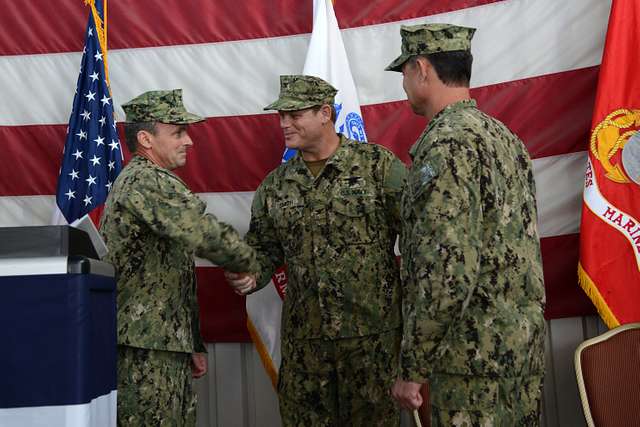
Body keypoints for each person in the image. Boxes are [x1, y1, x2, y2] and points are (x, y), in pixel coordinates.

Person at [386, 24, 546, 425]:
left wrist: (413, 367)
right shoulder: (504, 136)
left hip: (470, 360)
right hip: (518, 351)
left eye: (404, 72)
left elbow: (447, 270)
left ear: (422, 69)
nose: (403, 84)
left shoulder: (446, 144)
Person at [226, 75, 406, 426]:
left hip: (371, 340)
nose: (284, 124)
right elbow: (264, 249)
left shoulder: (377, 167)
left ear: (325, 113)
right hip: (306, 343)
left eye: (295, 115)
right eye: (281, 116)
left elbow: (417, 238)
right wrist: (249, 275)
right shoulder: (276, 186)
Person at [100, 89, 257, 426]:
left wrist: (193, 342)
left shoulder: (145, 180)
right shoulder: (147, 181)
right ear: (145, 138)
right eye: (178, 132)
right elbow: (202, 232)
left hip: (160, 342)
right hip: (145, 348)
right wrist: (249, 263)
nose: (189, 142)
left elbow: (173, 276)